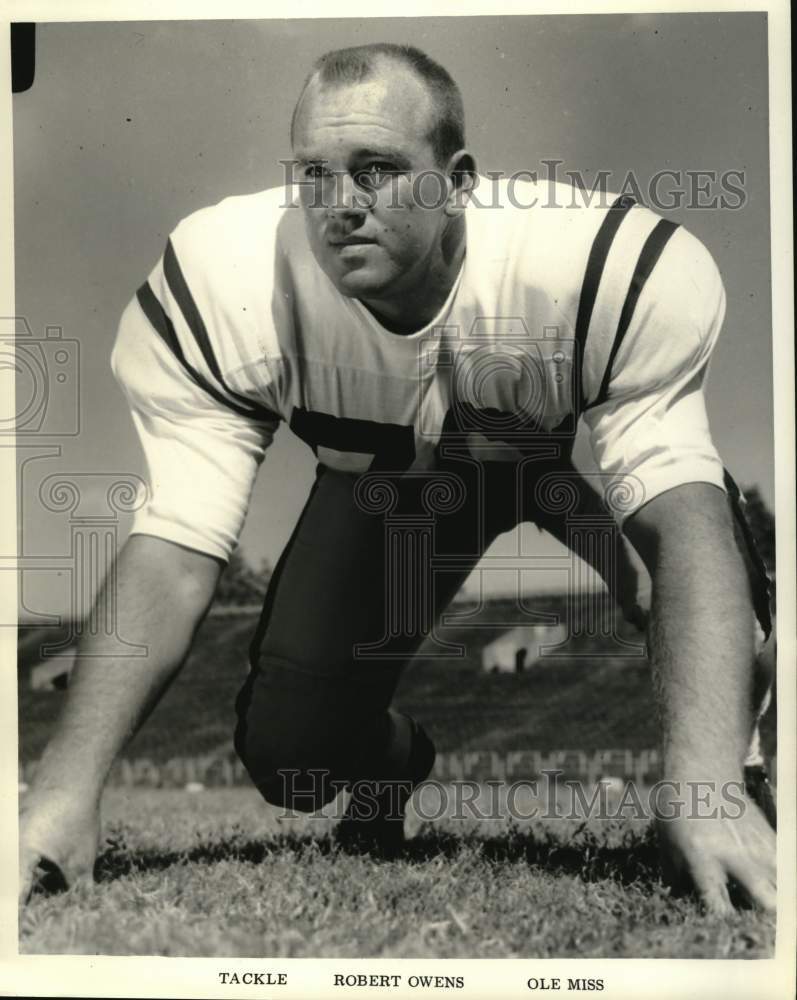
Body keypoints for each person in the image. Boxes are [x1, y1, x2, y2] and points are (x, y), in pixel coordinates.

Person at [20, 43, 775, 916]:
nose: (339, 207)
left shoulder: (588, 265)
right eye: (313, 173)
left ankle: (744, 782)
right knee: (290, 755)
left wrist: (706, 785)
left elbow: (680, 515)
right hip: (390, 491)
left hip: (555, 465)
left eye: (375, 170)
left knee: (678, 582)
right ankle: (397, 761)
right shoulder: (225, 279)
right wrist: (63, 796)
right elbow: (177, 549)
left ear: (457, 181)